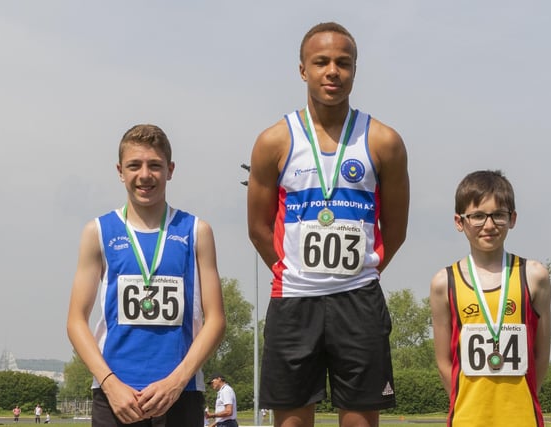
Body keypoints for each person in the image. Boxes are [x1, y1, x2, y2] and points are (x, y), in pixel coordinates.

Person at [247, 22, 409, 427]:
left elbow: (396, 228)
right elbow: (258, 227)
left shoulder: (383, 142)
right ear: (303, 70)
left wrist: (357, 273)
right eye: (321, 62)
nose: (332, 71)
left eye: (343, 63)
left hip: (358, 300)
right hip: (294, 299)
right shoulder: (274, 142)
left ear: (355, 70)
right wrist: (295, 272)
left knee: (359, 419)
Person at [67, 124, 226, 426]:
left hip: (181, 392)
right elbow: (76, 320)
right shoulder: (97, 232)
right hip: (116, 395)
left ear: (170, 170)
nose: (144, 175)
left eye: (155, 165)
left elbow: (216, 319)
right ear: (120, 171)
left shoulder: (197, 232)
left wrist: (176, 381)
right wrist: (110, 383)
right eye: (134, 165)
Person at [430, 170, 551, 427]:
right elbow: (444, 361)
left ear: (512, 218)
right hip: (467, 417)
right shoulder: (444, 282)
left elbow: (541, 357)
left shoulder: (534, 276)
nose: (488, 225)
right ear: (459, 221)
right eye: (477, 216)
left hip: (522, 417)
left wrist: (520, 398)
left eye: (498, 215)